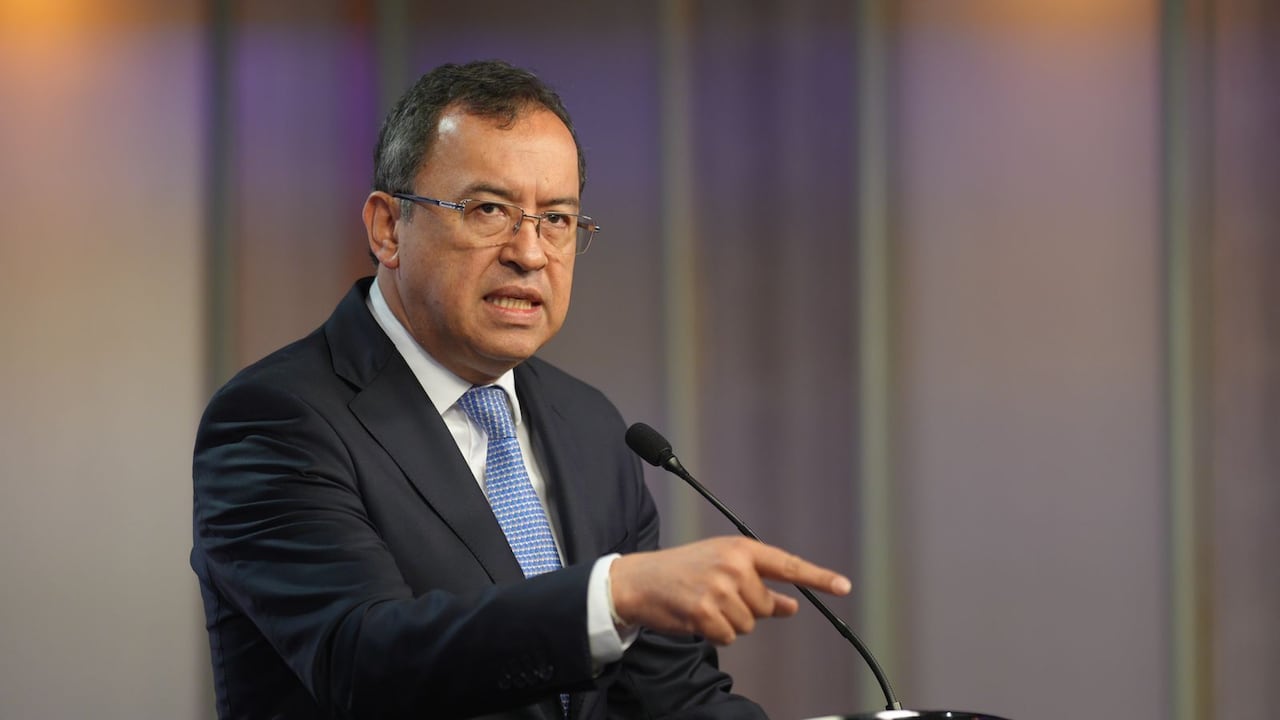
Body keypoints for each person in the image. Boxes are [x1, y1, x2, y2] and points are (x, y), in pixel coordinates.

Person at [191, 60, 851, 720]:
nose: (530, 253)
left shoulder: (590, 426)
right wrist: (609, 596)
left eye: (557, 218)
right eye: (489, 210)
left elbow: (671, 698)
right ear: (388, 228)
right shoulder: (277, 419)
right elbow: (362, 661)